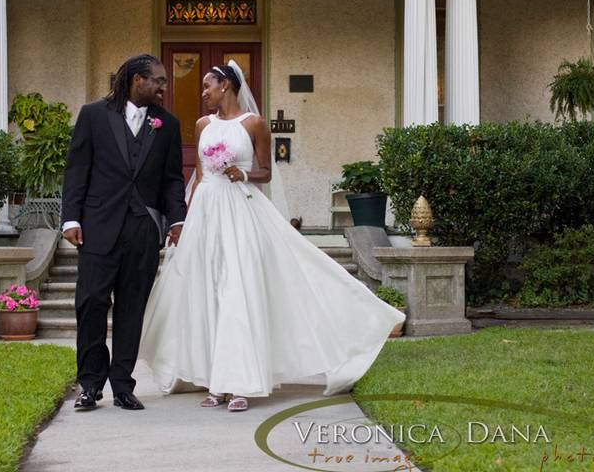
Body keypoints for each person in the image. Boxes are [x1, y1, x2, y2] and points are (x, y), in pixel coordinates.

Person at [138, 61, 405, 412]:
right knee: (208, 291)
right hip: (206, 212)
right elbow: (200, 177)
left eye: (208, 85)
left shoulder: (255, 125)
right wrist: (184, 221)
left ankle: (241, 383)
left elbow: (265, 172)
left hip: (240, 211)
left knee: (239, 289)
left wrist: (244, 173)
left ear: (227, 86)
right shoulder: (203, 125)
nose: (203, 92)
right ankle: (214, 380)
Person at [61, 54, 187, 412]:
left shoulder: (168, 124)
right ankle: (89, 385)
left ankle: (123, 386)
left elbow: (172, 179)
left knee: (132, 310)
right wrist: (71, 218)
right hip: (98, 229)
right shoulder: (93, 115)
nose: (165, 87)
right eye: (158, 80)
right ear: (136, 80)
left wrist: (176, 220)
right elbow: (76, 170)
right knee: (90, 305)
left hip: (143, 231)